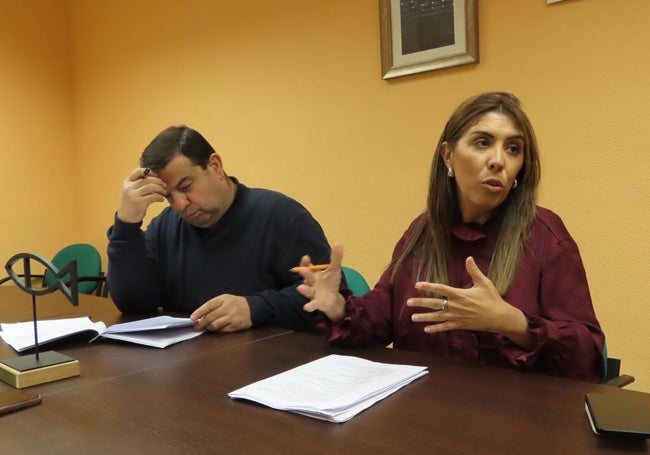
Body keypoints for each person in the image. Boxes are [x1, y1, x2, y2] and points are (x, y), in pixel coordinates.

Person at [296, 92, 605, 383]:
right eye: (483, 143)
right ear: (448, 155)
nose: (499, 160)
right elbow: (382, 315)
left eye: (513, 149)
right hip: (424, 410)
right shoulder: (422, 232)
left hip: (514, 421)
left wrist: (513, 323)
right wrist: (337, 306)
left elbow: (587, 357)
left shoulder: (546, 236)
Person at [107, 125, 334, 333]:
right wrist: (126, 225)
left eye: (186, 186)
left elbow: (329, 300)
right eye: (168, 197)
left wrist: (255, 309)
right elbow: (134, 305)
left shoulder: (281, 216)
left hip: (274, 365)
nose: (180, 205)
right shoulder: (166, 226)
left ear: (215, 166)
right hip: (192, 366)